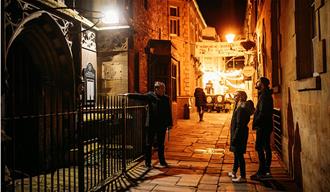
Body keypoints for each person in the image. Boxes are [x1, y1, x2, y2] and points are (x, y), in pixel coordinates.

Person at [126, 81, 173, 168]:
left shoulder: (166, 98)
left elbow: (168, 112)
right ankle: (148, 162)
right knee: (149, 143)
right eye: (162, 89)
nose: (164, 90)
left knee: (161, 144)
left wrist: (169, 124)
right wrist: (128, 95)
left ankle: (162, 161)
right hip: (151, 124)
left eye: (164, 88)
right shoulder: (150, 96)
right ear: (156, 89)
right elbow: (140, 97)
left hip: (162, 125)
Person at [228, 91, 255, 183]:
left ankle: (243, 176)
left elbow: (240, 124)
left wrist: (235, 137)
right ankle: (234, 172)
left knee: (239, 156)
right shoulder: (239, 106)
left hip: (239, 134)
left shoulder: (241, 108)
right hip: (239, 133)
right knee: (236, 154)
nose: (234, 97)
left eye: (235, 96)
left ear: (240, 97)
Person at [251, 77, 274, 180]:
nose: (257, 84)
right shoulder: (265, 94)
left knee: (259, 147)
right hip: (265, 125)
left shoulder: (264, 96)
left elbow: (262, 112)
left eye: (259, 82)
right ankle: (266, 169)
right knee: (266, 147)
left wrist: (256, 122)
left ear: (263, 84)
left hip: (263, 126)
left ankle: (262, 171)